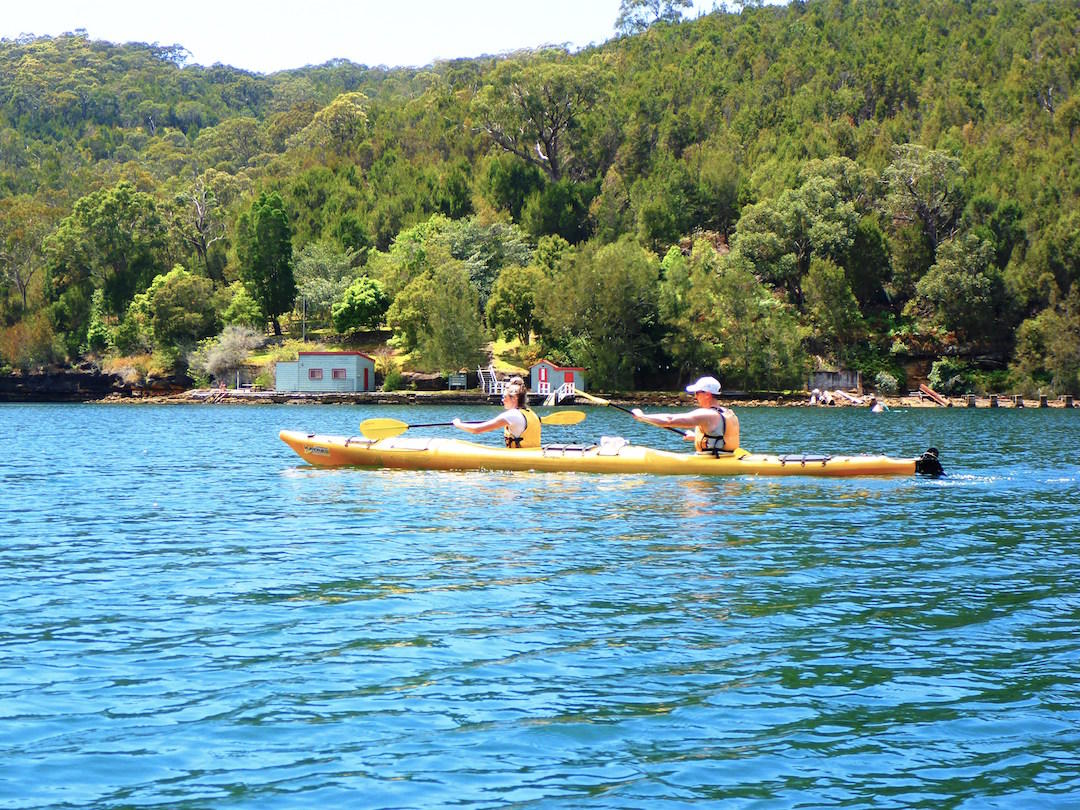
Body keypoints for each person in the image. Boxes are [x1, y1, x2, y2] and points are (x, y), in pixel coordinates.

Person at [631, 376, 740, 455]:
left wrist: (642, 416)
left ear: (707, 394)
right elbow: (723, 438)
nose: (695, 396)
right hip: (728, 457)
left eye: (697, 393)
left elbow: (669, 420)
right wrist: (696, 437)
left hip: (713, 460)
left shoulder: (706, 414)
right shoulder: (728, 413)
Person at [452, 375, 541, 448]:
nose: (502, 400)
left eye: (504, 397)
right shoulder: (531, 413)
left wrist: (458, 424)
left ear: (514, 398)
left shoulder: (512, 415)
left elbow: (476, 430)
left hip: (521, 458)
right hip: (533, 453)